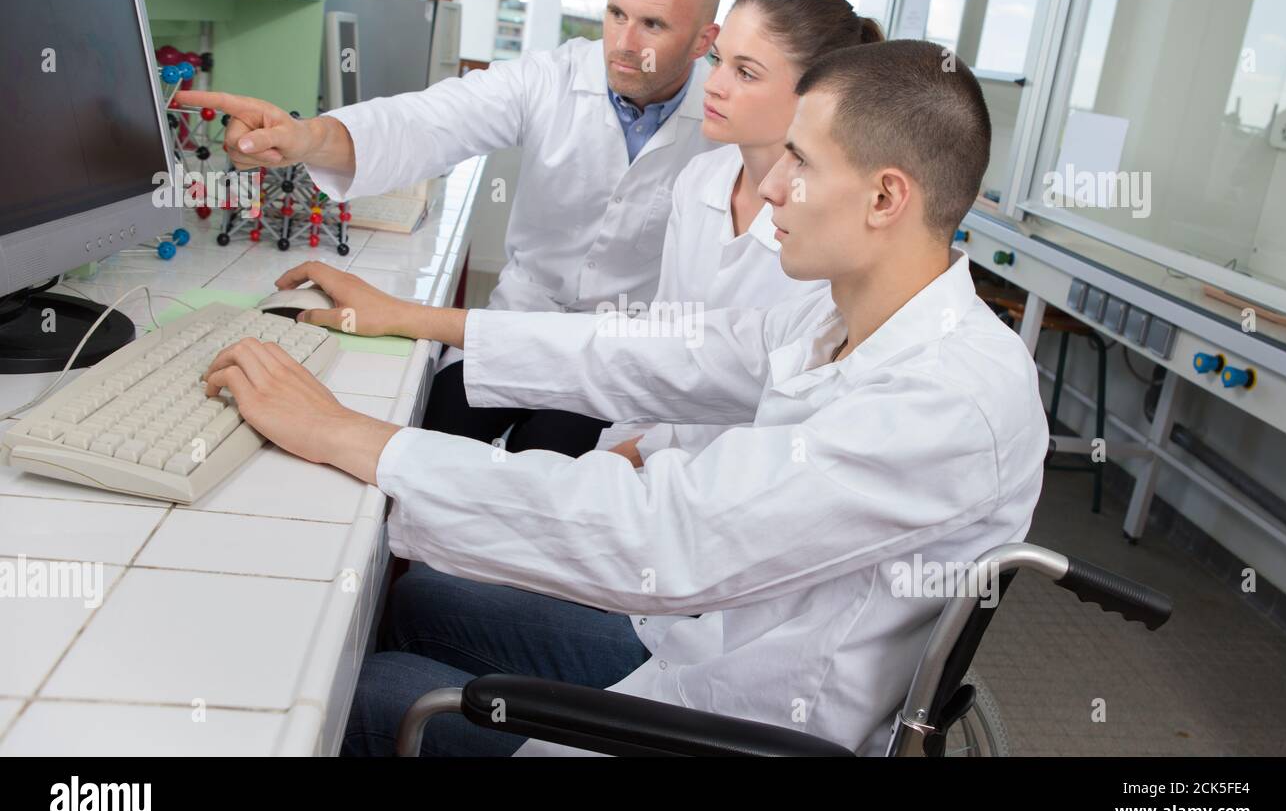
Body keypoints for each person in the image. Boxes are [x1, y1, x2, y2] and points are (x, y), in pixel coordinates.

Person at [200, 40, 1049, 756]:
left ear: (886, 197)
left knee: (367, 693)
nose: (775, 187)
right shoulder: (847, 319)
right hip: (701, 645)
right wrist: (416, 321)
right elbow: (653, 354)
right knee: (414, 596)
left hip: (746, 729)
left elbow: (668, 532)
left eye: (802, 161)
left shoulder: (948, 400)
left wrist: (355, 437)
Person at [177, 0, 723, 457]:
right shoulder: (549, 78)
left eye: (652, 24)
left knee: (547, 466)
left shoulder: (729, 125)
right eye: (616, 14)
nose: (625, 44)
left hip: (616, 351)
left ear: (703, 40)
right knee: (427, 434)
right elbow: (427, 123)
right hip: (515, 322)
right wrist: (308, 137)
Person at [599, 0, 884, 468]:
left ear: (814, 95)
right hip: (648, 446)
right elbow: (659, 348)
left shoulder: (829, 236)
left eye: (745, 73)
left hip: (729, 479)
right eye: (716, 61)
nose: (713, 84)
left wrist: (642, 458)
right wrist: (618, 452)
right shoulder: (700, 179)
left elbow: (775, 419)